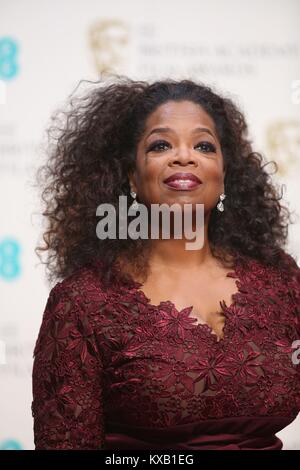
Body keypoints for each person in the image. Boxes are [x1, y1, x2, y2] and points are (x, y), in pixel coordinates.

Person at [32, 76, 300, 450]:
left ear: (224, 176)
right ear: (131, 178)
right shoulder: (82, 302)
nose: (184, 156)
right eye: (161, 145)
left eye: (203, 145)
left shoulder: (282, 281)